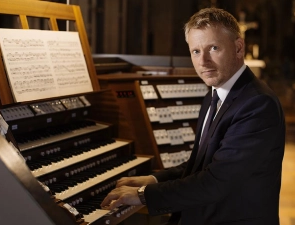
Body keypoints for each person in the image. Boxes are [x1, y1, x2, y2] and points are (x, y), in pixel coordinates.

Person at [101, 7, 285, 225]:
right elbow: (200, 165)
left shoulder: (257, 105)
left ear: (238, 48)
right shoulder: (214, 95)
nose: (203, 61)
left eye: (213, 48)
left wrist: (143, 196)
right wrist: (153, 179)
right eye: (195, 51)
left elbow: (216, 181)